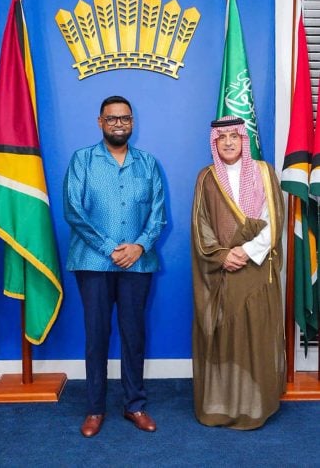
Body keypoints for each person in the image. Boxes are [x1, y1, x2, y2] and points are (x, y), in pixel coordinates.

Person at [64, 95, 166, 437]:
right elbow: (73, 213)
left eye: (124, 118)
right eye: (112, 119)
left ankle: (134, 405)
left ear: (132, 122)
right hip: (93, 262)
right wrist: (111, 249)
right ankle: (95, 409)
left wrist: (138, 246)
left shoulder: (149, 164)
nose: (118, 124)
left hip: (138, 263)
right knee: (97, 336)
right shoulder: (82, 161)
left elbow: (158, 214)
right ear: (100, 122)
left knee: (133, 335)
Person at [191, 115, 286, 430]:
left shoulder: (263, 172)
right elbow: (201, 226)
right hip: (223, 270)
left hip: (256, 268)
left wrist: (246, 251)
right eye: (222, 138)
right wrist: (222, 255)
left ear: (244, 140)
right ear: (214, 142)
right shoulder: (206, 177)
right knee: (226, 338)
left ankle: (256, 404)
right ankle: (224, 404)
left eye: (234, 136)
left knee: (255, 335)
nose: (228, 142)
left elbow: (273, 220)